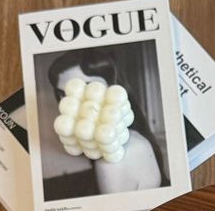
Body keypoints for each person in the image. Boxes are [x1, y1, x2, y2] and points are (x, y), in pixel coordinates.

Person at [47, 48, 168, 193]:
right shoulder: (125, 140)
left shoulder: (113, 159)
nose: (72, 104)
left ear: (113, 89)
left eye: (88, 88)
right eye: (63, 94)